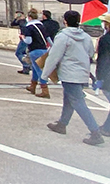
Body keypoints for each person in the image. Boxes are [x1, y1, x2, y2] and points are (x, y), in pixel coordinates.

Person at [41, 11, 104, 145]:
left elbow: (54, 56)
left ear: (65, 21)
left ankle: (95, 132)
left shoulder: (63, 36)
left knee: (78, 103)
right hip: (82, 73)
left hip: (69, 73)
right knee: (69, 99)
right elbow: (90, 54)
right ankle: (62, 124)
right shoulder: (86, 37)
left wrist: (45, 75)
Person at [23, 8, 50, 98]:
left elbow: (29, 41)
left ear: (29, 17)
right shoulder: (41, 26)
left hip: (34, 50)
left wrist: (22, 38)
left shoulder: (29, 27)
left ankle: (45, 90)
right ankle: (32, 86)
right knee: (35, 69)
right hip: (44, 49)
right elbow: (48, 38)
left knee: (39, 70)